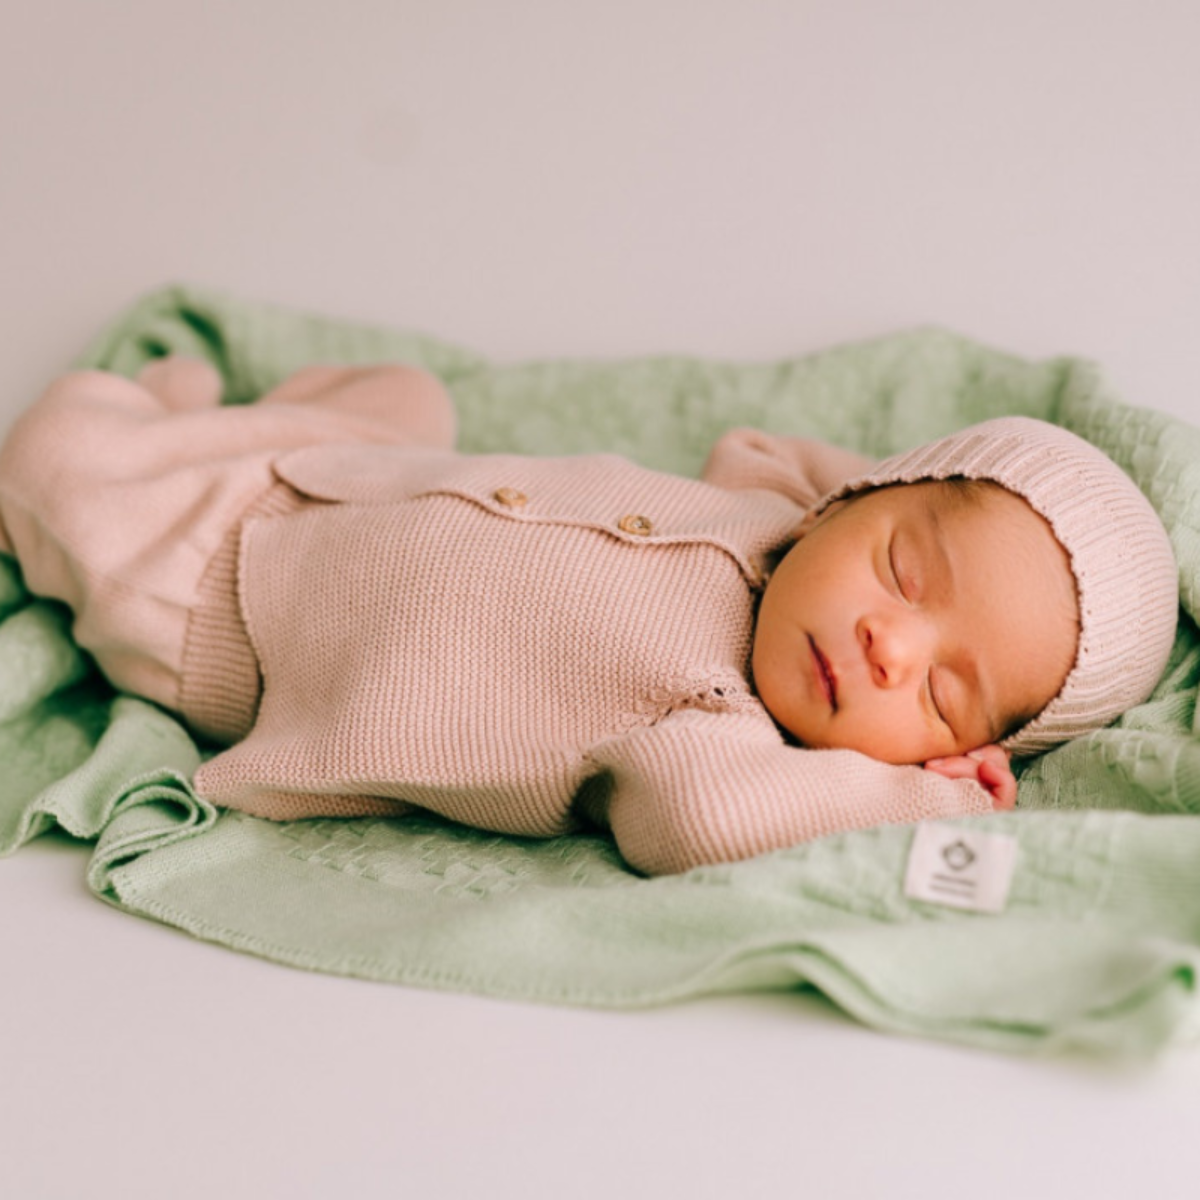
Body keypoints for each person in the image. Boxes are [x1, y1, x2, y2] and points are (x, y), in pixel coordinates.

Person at [0, 358, 1179, 874]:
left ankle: (155, 415)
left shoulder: (718, 731)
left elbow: (701, 824)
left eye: (940, 691)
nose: (888, 643)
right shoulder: (773, 504)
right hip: (359, 473)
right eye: (907, 572)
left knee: (56, 454)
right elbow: (779, 453)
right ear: (853, 497)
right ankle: (201, 415)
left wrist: (916, 795)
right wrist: (857, 502)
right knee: (401, 394)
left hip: (229, 608)